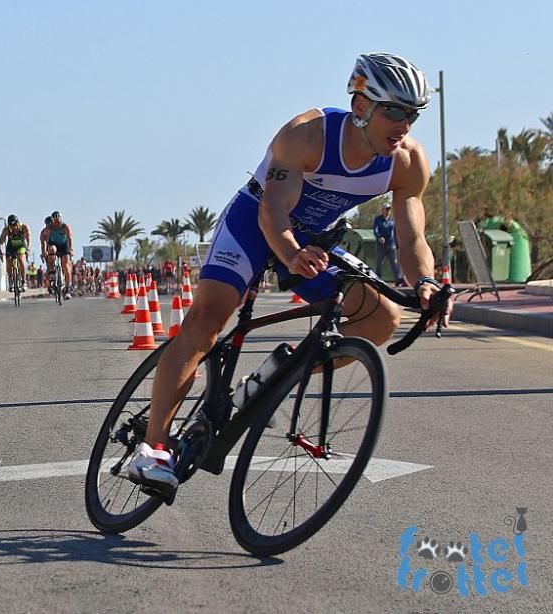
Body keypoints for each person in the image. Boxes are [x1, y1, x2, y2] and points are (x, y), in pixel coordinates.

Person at [128, 53, 453, 491]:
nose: (404, 125)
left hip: (314, 239)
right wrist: (291, 253)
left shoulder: (408, 162)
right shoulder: (307, 135)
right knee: (206, 322)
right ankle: (153, 450)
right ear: (361, 106)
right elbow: (273, 209)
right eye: (393, 111)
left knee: (381, 318)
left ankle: (273, 380)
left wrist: (427, 283)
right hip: (256, 223)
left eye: (412, 114)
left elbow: (412, 240)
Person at [374, 202, 405, 285]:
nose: (388, 211)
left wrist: (397, 244)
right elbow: (375, 230)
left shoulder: (392, 221)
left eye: (389, 210)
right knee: (379, 263)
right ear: (382, 210)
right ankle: (377, 279)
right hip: (381, 245)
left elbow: (395, 233)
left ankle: (398, 280)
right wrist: (379, 237)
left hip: (391, 245)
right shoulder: (378, 220)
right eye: (386, 209)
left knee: (394, 262)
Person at [45, 211, 74, 299]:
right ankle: (52, 273)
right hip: (54, 244)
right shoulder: (50, 228)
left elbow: (70, 238)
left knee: (65, 265)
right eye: (55, 222)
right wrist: (45, 251)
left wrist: (71, 249)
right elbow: (46, 241)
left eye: (59, 221)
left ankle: (68, 288)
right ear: (52, 221)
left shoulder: (65, 227)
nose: (57, 224)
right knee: (51, 251)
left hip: (64, 246)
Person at [0, 215, 31, 289]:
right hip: (11, 247)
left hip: (21, 246)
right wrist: (0, 252)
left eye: (15, 225)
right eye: (12, 226)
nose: (14, 228)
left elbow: (28, 239)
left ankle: (23, 281)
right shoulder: (6, 230)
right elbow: (0, 243)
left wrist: (28, 249)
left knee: (21, 258)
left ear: (18, 223)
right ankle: (10, 280)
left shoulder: (24, 227)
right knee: (9, 262)